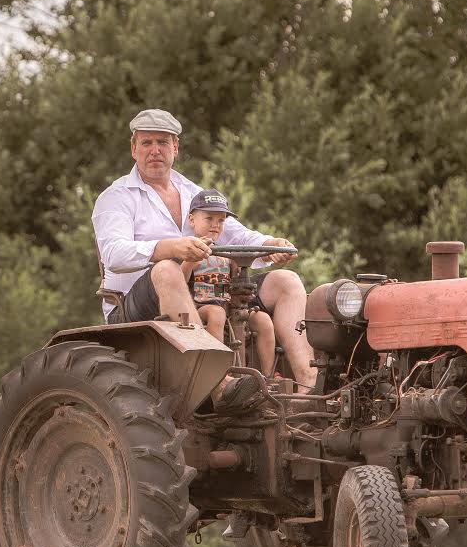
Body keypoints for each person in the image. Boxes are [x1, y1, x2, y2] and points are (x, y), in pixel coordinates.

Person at [91, 108, 315, 394]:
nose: (155, 150)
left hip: (206, 291)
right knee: (167, 268)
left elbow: (236, 234)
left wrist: (270, 245)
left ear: (175, 147)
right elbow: (114, 254)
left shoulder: (193, 192)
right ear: (134, 149)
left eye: (162, 142)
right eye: (147, 143)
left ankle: (308, 387)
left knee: (286, 281)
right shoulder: (116, 197)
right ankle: (218, 383)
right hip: (133, 305)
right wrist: (172, 247)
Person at [183, 189, 277, 374]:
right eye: (209, 218)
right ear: (192, 220)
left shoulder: (226, 253)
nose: (215, 225)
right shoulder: (187, 249)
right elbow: (179, 281)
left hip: (225, 306)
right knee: (216, 313)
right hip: (198, 308)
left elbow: (232, 285)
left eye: (221, 220)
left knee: (262, 319)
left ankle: (268, 377)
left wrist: (239, 277)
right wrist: (190, 261)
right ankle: (219, 374)